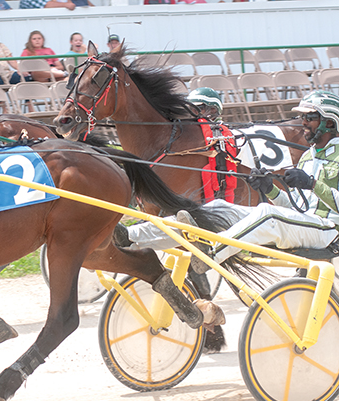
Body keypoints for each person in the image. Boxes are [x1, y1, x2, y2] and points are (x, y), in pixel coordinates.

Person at [116, 91, 339, 275]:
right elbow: (293, 209)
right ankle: (130, 237)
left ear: (329, 122)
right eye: (303, 118)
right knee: (215, 209)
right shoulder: (309, 156)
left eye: (309, 118)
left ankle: (210, 253)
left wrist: (311, 184)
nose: (303, 123)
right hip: (306, 224)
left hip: (328, 231)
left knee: (266, 214)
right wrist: (269, 188)